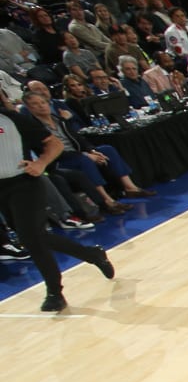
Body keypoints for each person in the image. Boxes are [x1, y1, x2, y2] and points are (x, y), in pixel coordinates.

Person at [0, 91, 111, 312]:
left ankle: (55, 292)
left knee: (32, 237)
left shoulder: (12, 119)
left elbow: (55, 144)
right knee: (33, 237)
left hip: (24, 183)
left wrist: (41, 163)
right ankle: (91, 254)